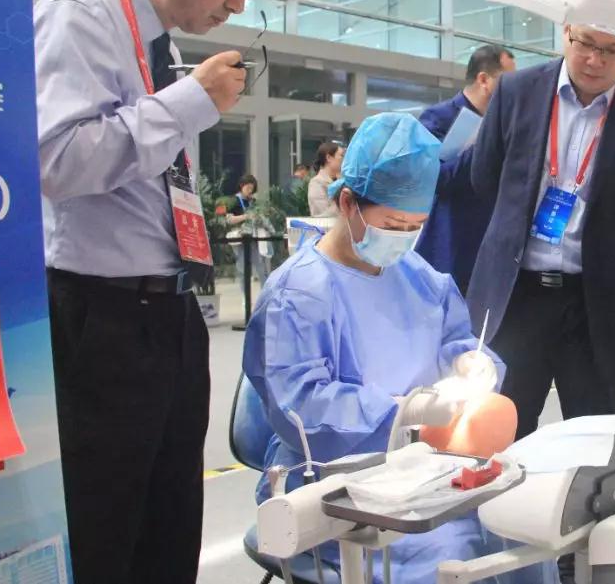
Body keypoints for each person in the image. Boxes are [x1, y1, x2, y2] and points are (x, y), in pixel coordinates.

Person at [35, 0, 278, 581]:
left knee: (169, 532)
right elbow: (56, 161)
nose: (238, 4)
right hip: (102, 318)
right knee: (105, 534)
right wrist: (188, 102)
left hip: (171, 314)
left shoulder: (160, 46)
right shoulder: (80, 15)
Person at [242, 113, 552, 584]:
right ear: (348, 202)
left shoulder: (420, 278)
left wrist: (471, 362)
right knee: (451, 555)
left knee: (521, 531)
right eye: (392, 224)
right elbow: (300, 408)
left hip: (423, 468)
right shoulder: (299, 295)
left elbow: (454, 340)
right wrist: (407, 412)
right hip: (331, 482)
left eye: (415, 226)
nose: (404, 239)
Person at [467, 23, 615, 444]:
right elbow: (485, 178)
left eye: (612, 50)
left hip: (597, 304)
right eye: (586, 43)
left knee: (590, 441)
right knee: (500, 434)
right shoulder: (516, 91)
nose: (595, 60)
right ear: (567, 32)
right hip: (516, 298)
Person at [416, 44, 516, 293]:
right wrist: (485, 141)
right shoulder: (437, 118)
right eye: (508, 81)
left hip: (495, 249)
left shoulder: (510, 123)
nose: (515, 91)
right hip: (450, 246)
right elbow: (437, 179)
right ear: (484, 80)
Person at [227, 174, 271, 284]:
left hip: (254, 236)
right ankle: (245, 293)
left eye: (252, 189)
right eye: (248, 188)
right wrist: (246, 216)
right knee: (242, 268)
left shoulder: (253, 201)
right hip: (240, 238)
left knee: (261, 266)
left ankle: (265, 291)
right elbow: (229, 219)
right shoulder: (234, 200)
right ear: (241, 186)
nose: (250, 191)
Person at [308, 141, 345, 217]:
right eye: (341, 156)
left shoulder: (339, 180)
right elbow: (323, 213)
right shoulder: (317, 183)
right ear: (329, 158)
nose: (344, 160)